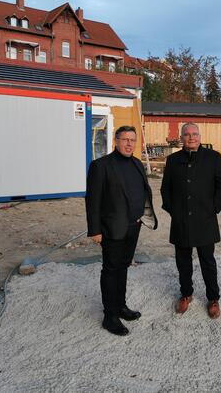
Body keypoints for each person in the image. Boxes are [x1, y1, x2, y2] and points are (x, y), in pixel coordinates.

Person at [86, 125, 157, 336]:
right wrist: (94, 230)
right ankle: (110, 316)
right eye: (125, 139)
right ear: (116, 141)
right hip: (112, 228)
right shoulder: (101, 166)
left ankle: (120, 306)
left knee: (123, 267)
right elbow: (93, 201)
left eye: (132, 140)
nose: (129, 143)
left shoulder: (136, 163)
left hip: (134, 226)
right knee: (111, 270)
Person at [160, 123, 221, 318]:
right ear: (181, 137)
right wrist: (173, 210)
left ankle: (213, 298)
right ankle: (186, 294)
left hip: (205, 219)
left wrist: (215, 208)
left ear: (200, 136)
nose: (191, 137)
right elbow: (166, 189)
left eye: (195, 134)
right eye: (187, 134)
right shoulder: (173, 160)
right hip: (181, 220)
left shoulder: (213, 157)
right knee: (183, 261)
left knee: (208, 261)